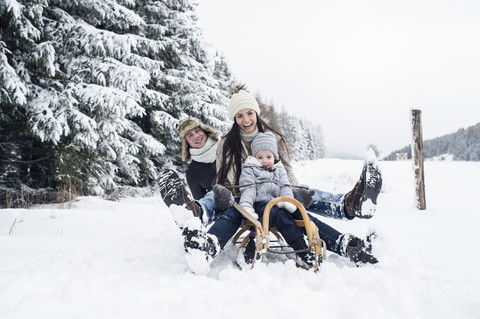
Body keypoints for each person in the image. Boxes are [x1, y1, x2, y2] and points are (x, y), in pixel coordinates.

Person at [181, 84, 381, 273]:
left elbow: (286, 172)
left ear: (256, 113)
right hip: (244, 196)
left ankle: (349, 205)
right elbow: (226, 178)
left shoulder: (273, 138)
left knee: (301, 196)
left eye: (249, 113)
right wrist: (230, 193)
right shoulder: (226, 144)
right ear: (234, 118)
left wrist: (295, 193)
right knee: (221, 200)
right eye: (239, 115)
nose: (246, 119)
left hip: (276, 190)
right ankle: (196, 215)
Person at [238, 131, 316, 268]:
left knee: (285, 218)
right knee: (268, 214)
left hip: (278, 204)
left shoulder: (279, 170)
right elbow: (248, 189)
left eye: (268, 156)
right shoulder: (250, 169)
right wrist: (247, 205)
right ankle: (253, 242)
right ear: (254, 157)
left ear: (274, 156)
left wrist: (287, 201)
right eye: (260, 157)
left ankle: (301, 249)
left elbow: (285, 187)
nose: (265, 160)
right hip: (259, 205)